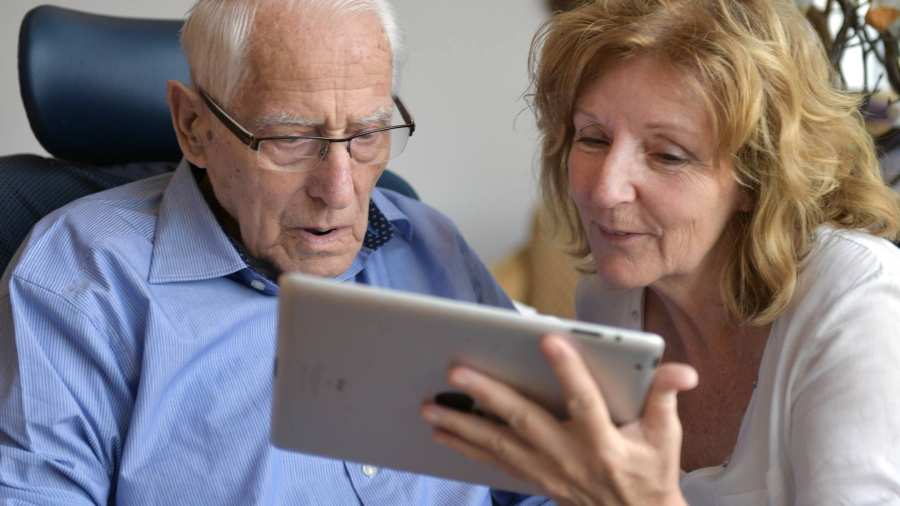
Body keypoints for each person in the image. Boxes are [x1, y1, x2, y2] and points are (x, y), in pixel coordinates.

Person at [0, 1, 549, 504]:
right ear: (194, 127)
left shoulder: (431, 245)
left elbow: (542, 479)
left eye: (366, 134)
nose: (339, 191)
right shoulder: (79, 280)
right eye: (290, 139)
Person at [422, 0, 900, 504]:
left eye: (668, 155)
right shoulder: (612, 301)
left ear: (757, 177)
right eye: (593, 138)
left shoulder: (856, 301)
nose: (606, 191)